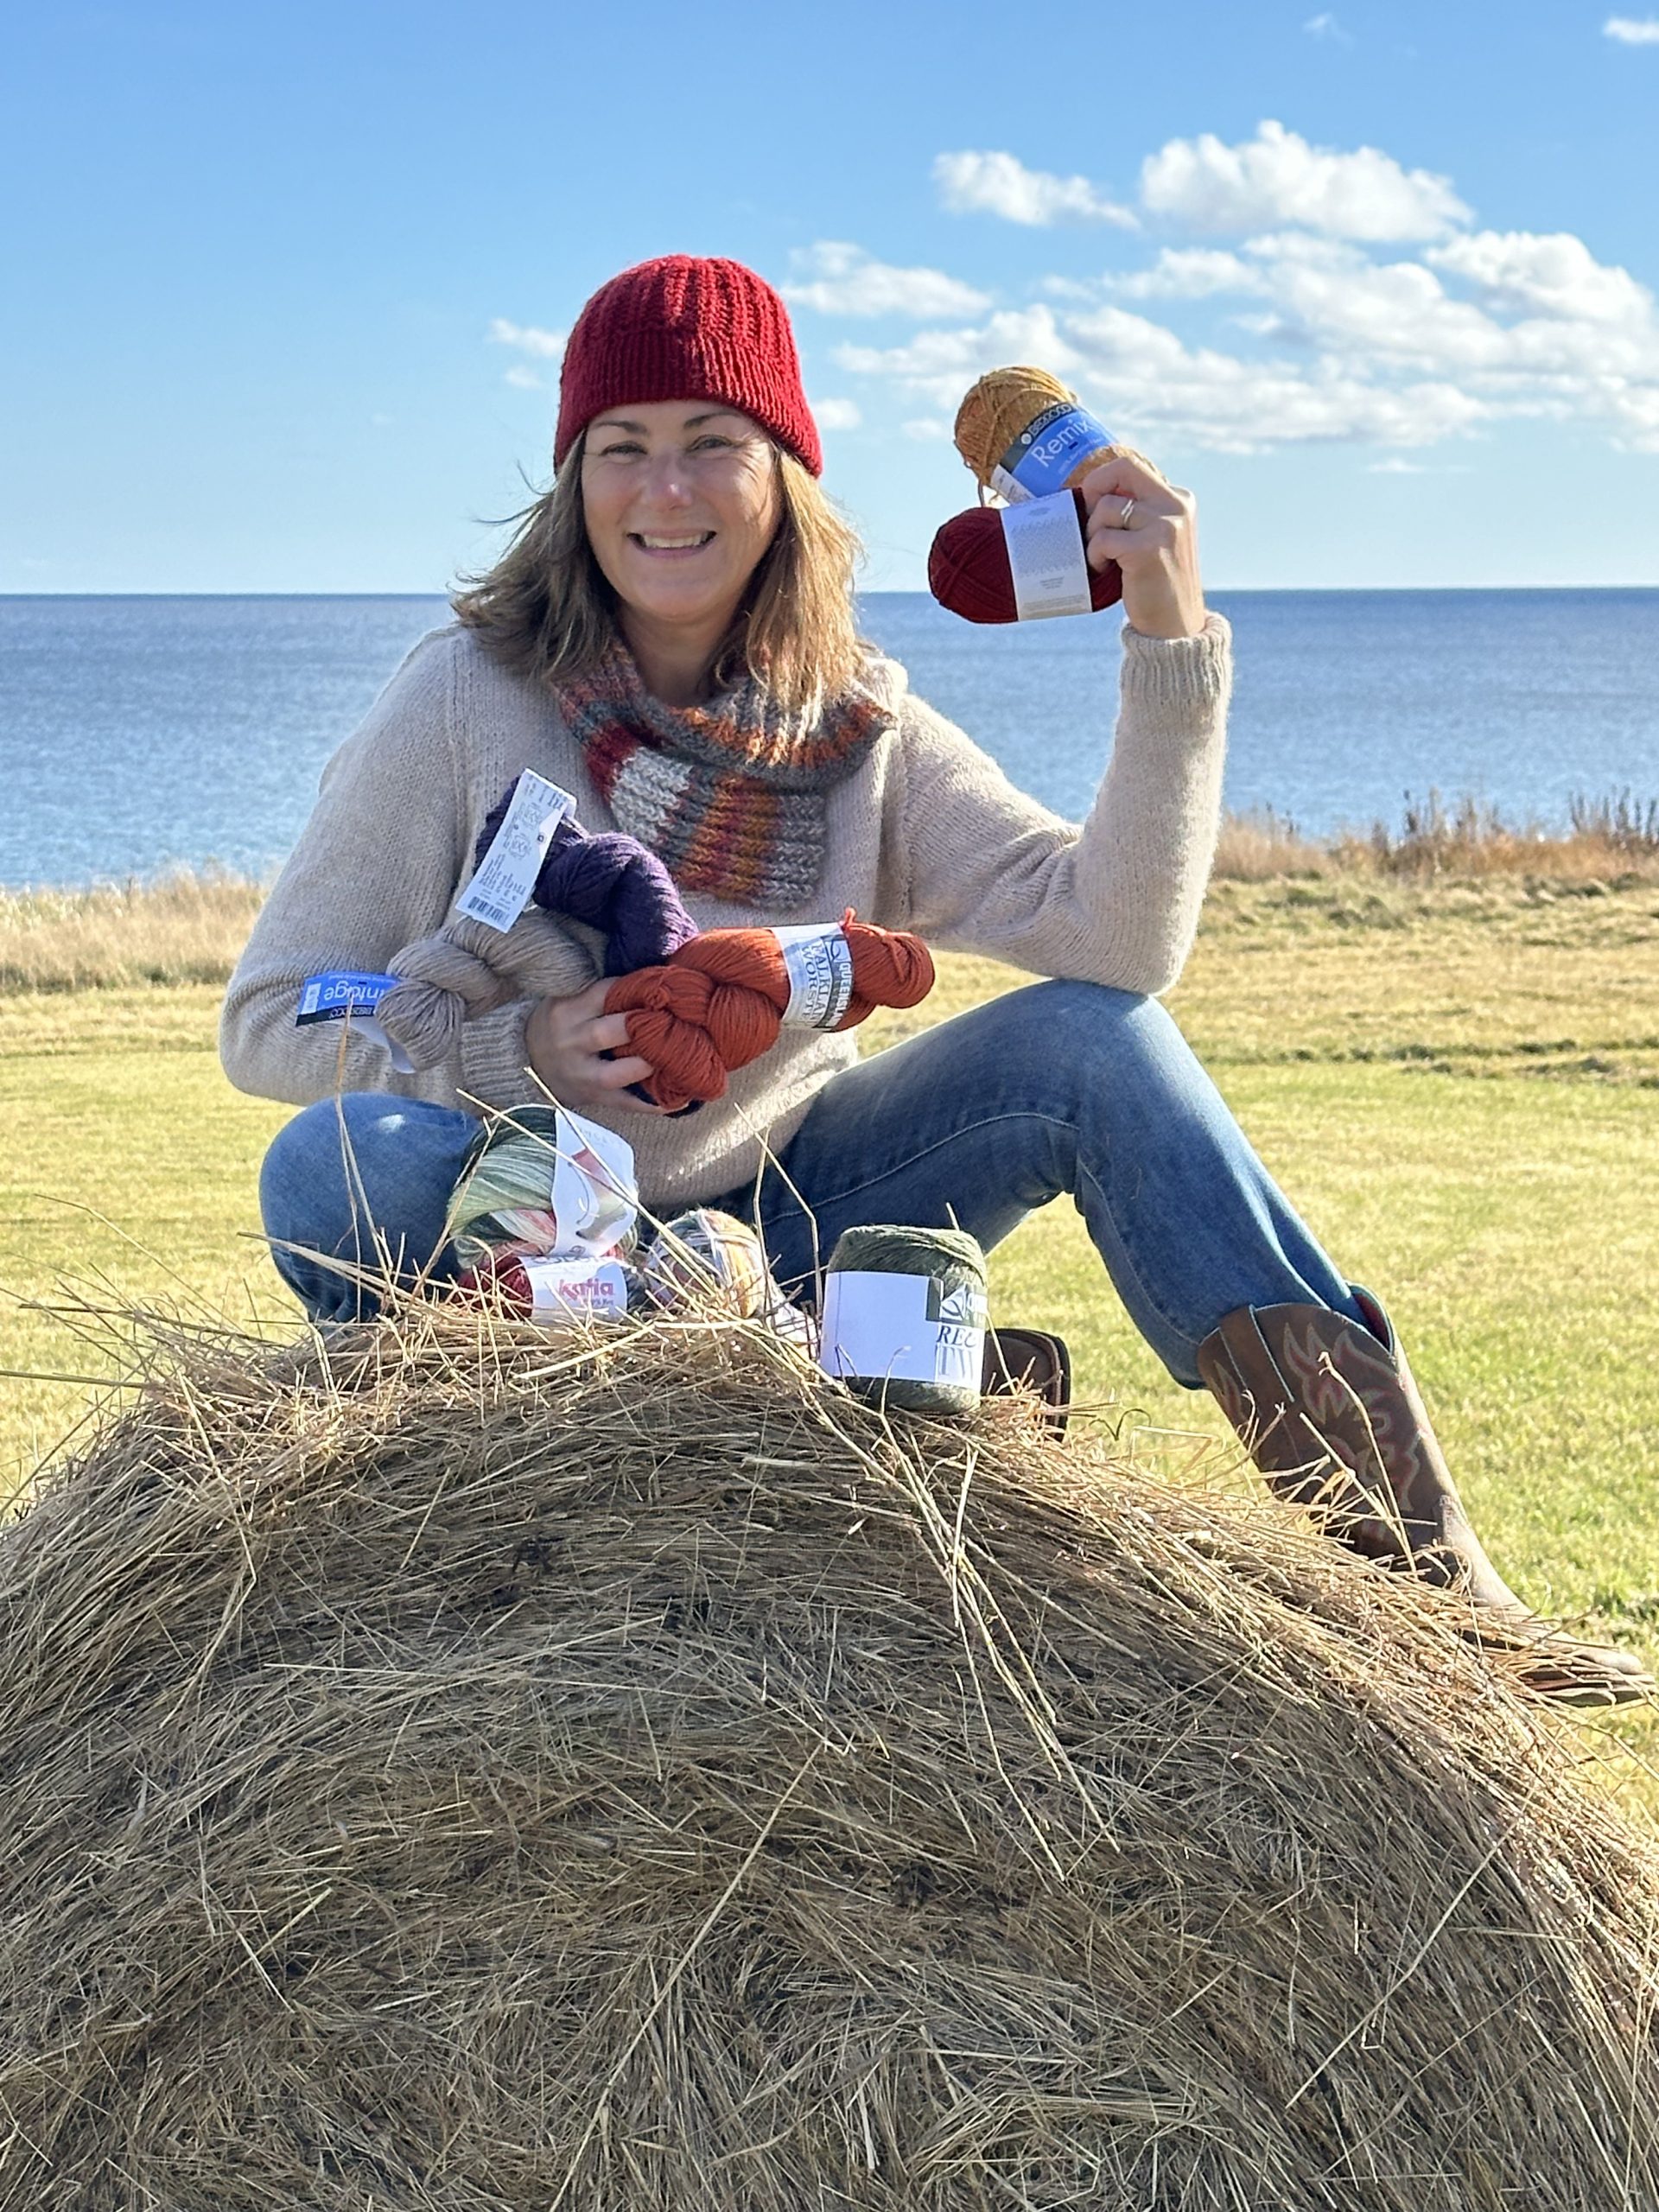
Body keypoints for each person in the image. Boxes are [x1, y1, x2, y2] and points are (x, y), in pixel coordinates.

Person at [223, 253, 1646, 1706]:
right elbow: (270, 1019)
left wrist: (1166, 632)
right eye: (622, 449)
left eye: (713, 443)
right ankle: (800, 1382)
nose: (667, 492)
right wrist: (515, 1049)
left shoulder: (860, 725)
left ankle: (1420, 1582)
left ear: (783, 477)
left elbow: (1112, 936)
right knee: (331, 1162)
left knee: (1099, 1046)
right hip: (534, 1245)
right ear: (572, 482)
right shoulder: (461, 695)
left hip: (788, 1221)